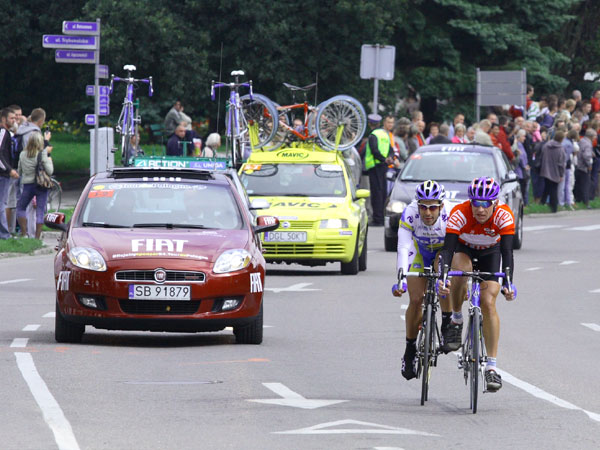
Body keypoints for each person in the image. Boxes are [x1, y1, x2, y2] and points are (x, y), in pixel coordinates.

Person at [438, 177, 516, 392]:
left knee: (488, 302)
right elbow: (448, 250)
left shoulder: (504, 215)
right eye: (476, 203)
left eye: (486, 204)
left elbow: (508, 253)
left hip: (491, 252)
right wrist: (444, 277)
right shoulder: (460, 213)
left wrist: (509, 282)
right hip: (464, 249)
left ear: (495, 203)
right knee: (460, 272)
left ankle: (491, 367)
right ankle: (456, 318)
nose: (480, 209)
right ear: (470, 202)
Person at [392, 180, 453, 380]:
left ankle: (446, 324)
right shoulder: (410, 213)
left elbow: (457, 250)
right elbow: (403, 247)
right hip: (418, 254)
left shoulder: (450, 215)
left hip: (442, 253)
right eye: (423, 207)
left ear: (441, 206)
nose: (427, 212)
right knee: (416, 299)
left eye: (433, 207)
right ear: (417, 205)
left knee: (442, 281)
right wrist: (401, 277)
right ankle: (409, 350)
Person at [16, 132, 53, 239]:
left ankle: (24, 233)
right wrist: (49, 160)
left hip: (27, 185)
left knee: (21, 207)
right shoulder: (42, 153)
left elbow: (19, 170)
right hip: (41, 185)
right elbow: (50, 171)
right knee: (40, 211)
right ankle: (37, 237)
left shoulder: (23, 154)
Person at [364, 113, 392, 226]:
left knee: (376, 193)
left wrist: (383, 159)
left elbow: (374, 151)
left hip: (375, 166)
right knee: (383, 192)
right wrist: (389, 158)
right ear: (379, 123)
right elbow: (391, 149)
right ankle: (382, 217)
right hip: (383, 167)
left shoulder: (373, 135)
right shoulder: (384, 134)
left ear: (370, 124)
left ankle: (377, 219)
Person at [0, 108, 18, 239]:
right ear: (4, 119)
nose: (14, 120)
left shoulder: (8, 133)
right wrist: (8, 169)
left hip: (4, 173)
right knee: (2, 204)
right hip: (2, 174)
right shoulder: (3, 132)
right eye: (12, 118)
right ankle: (5, 234)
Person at [540, 128, 567, 212]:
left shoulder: (546, 145)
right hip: (555, 171)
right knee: (554, 189)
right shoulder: (561, 149)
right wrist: (561, 174)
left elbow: (542, 156)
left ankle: (542, 203)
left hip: (545, 169)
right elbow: (561, 163)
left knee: (547, 187)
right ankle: (554, 208)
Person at [574, 128, 594, 208]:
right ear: (591, 136)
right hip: (584, 167)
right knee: (586, 185)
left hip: (577, 165)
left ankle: (578, 199)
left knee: (578, 184)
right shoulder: (588, 144)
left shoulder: (582, 141)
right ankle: (586, 203)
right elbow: (586, 156)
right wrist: (589, 165)